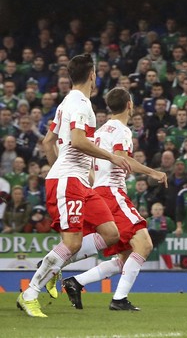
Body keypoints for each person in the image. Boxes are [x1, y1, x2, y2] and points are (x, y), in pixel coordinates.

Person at [18, 53, 131, 318]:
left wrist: (71, 169)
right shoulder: (81, 104)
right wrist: (111, 157)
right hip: (68, 181)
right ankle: (30, 293)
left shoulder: (66, 102)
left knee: (111, 232)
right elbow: (79, 142)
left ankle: (53, 267)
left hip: (78, 181)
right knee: (71, 243)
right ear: (92, 75)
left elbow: (48, 142)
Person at [61, 87, 167, 311]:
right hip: (111, 192)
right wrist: (154, 173)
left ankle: (76, 281)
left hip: (98, 191)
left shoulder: (99, 132)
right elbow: (122, 159)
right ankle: (118, 299)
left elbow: (91, 167)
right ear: (130, 105)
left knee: (127, 255)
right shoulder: (121, 130)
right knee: (145, 244)